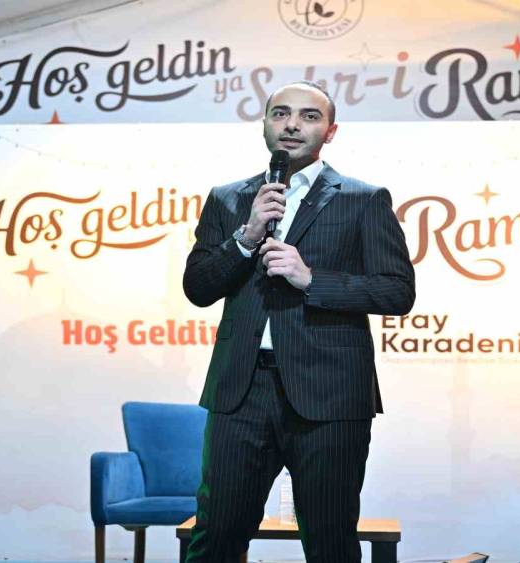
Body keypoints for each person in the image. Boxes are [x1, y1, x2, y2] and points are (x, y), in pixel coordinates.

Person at [182, 81, 415, 562]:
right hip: (240, 391)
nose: (292, 125)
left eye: (309, 116)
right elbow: (198, 288)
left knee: (330, 541)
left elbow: (397, 291)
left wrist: (311, 279)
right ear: (265, 125)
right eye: (280, 114)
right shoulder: (228, 199)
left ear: (330, 131)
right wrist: (245, 239)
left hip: (330, 395)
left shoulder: (362, 199)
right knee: (215, 537)